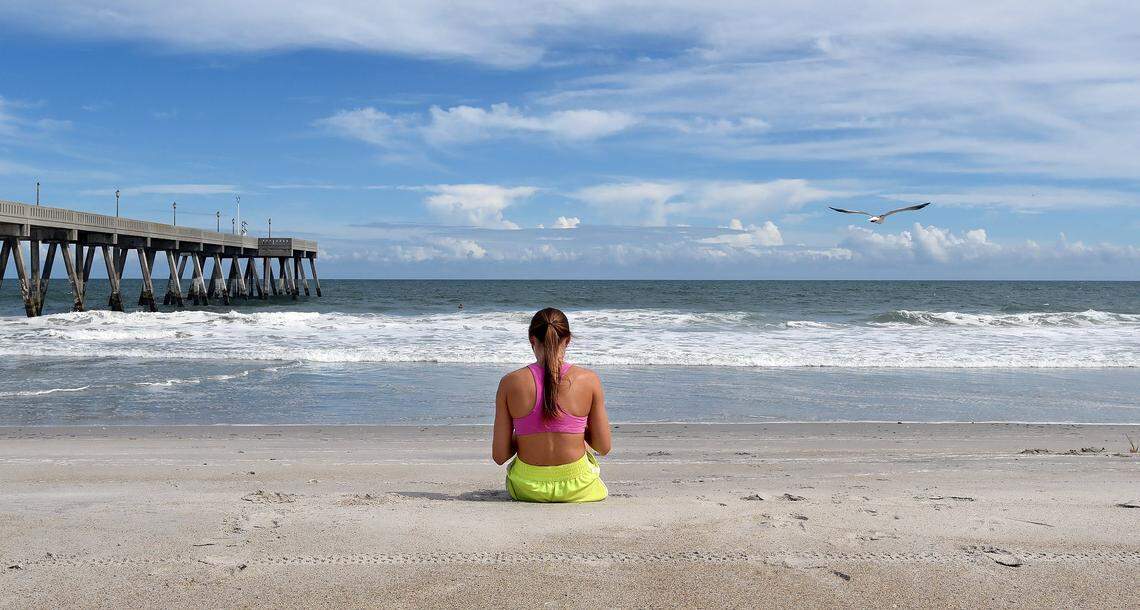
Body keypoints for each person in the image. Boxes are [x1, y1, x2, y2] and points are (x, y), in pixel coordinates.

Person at [492, 308, 611, 502]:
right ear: (568, 340)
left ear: (532, 340)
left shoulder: (509, 382)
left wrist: (527, 433)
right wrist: (574, 429)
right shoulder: (589, 380)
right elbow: (603, 447)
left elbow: (499, 455)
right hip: (579, 486)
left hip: (527, 487)